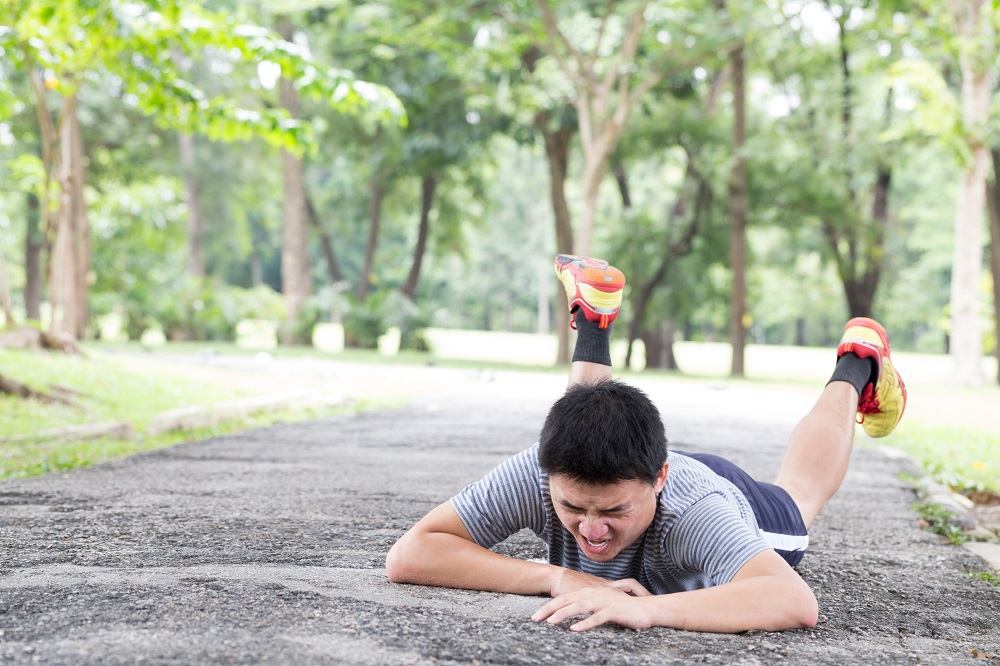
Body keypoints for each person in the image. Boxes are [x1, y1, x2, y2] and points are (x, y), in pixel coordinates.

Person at [386, 254, 907, 633]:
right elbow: (410, 555)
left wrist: (651, 610)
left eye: (611, 511)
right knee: (584, 422)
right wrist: (556, 578)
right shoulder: (544, 470)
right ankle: (593, 317)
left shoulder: (695, 517)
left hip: (733, 500)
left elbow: (794, 602)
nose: (590, 529)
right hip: (630, 458)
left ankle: (858, 360)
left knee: (800, 493)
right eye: (571, 506)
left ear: (659, 479)